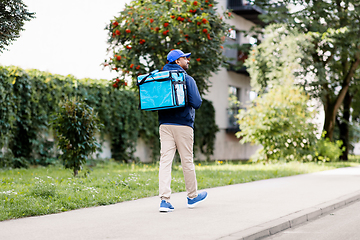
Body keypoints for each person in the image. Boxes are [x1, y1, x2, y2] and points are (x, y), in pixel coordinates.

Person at [158, 49, 208, 212]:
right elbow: (197, 103)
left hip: (164, 125)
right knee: (187, 161)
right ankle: (192, 197)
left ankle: (164, 201)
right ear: (177, 61)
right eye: (185, 58)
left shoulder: (160, 78)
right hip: (184, 125)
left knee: (165, 162)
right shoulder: (187, 79)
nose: (188, 61)